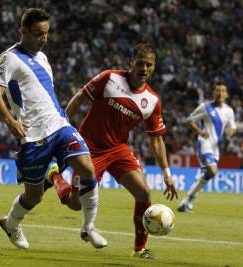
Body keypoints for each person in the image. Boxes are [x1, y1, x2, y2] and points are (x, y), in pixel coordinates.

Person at [0, 8, 107, 250]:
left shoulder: (43, 58)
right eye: (38, 34)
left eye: (47, 33)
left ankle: (89, 227)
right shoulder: (9, 58)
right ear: (23, 31)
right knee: (34, 196)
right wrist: (11, 122)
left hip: (59, 126)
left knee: (87, 168)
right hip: (32, 137)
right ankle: (11, 224)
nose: (44, 39)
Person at [63, 43, 178, 259]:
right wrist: (63, 127)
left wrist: (167, 175)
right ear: (131, 62)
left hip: (117, 149)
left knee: (143, 192)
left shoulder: (152, 101)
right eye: (140, 63)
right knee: (76, 204)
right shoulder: (109, 78)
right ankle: (57, 179)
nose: (144, 68)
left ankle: (140, 249)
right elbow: (79, 98)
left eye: (149, 65)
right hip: (88, 149)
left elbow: (157, 140)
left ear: (154, 68)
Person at [178, 82, 237, 212]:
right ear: (213, 93)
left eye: (223, 91)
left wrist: (229, 133)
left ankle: (187, 201)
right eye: (217, 90)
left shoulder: (229, 111)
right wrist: (200, 131)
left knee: (208, 173)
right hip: (204, 143)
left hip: (216, 147)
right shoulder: (205, 107)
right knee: (212, 171)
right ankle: (189, 199)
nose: (220, 93)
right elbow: (189, 120)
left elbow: (233, 127)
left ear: (226, 94)